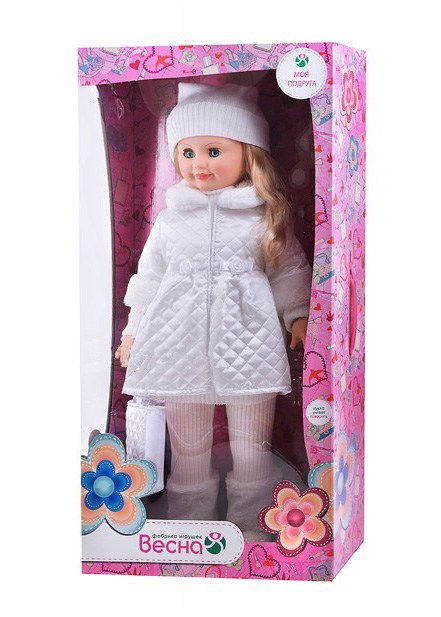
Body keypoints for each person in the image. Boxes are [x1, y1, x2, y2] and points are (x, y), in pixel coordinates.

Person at [115, 82, 312, 540]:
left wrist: (298, 314)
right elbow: (149, 279)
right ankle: (187, 526)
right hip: (176, 343)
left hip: (250, 343)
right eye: (187, 153)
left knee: (253, 451)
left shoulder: (263, 215)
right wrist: (133, 330)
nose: (198, 163)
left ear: (249, 153)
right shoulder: (170, 219)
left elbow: (288, 268)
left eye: (213, 151)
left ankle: (253, 524)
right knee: (188, 454)